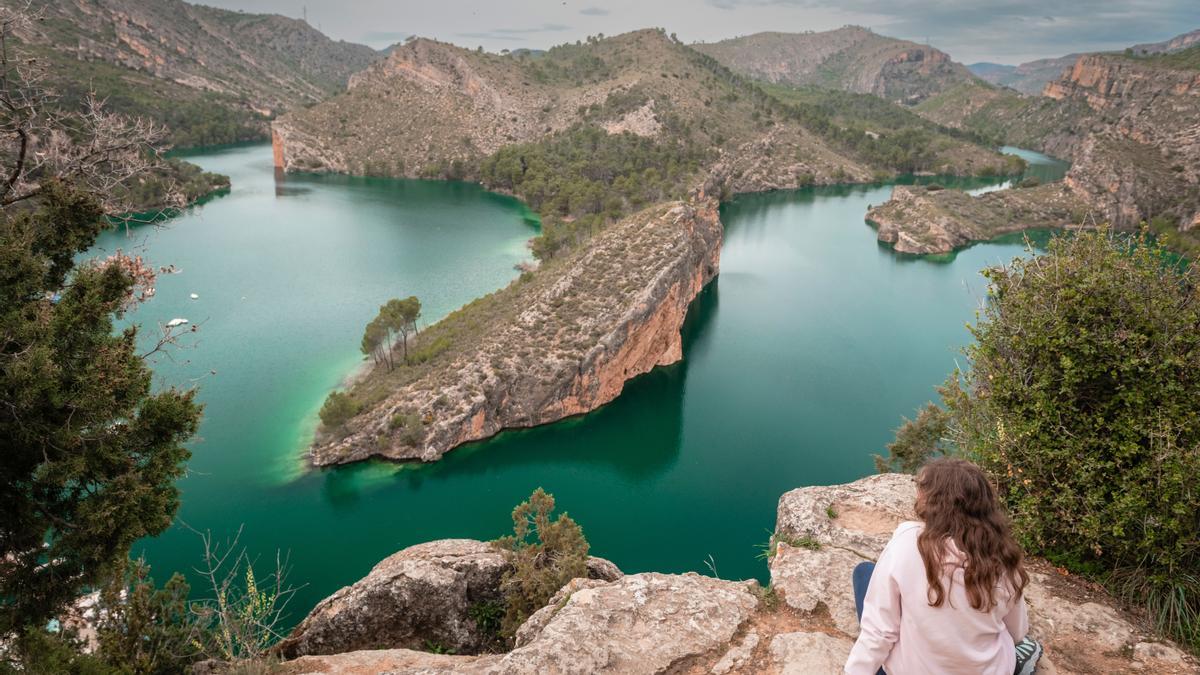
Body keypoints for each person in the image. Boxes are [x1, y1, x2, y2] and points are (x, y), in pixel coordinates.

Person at [844, 458, 1043, 675]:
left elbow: (878, 632)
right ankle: (1020, 661)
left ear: (932, 502)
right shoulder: (1003, 557)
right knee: (1017, 643)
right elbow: (1017, 632)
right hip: (987, 670)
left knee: (864, 572)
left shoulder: (907, 543)